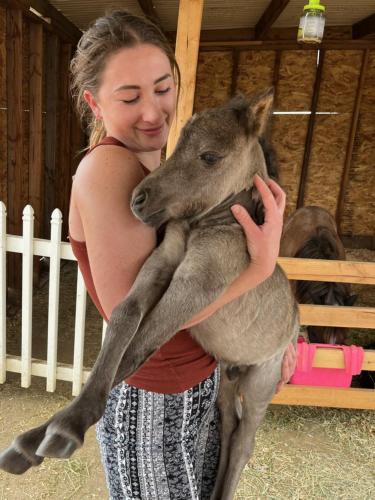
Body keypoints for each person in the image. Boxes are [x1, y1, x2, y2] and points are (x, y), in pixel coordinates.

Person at [69, 10, 296, 500]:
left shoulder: (158, 160)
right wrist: (257, 271)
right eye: (129, 96)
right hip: (152, 400)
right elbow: (143, 317)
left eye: (163, 87)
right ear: (94, 103)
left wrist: (281, 328)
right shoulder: (110, 169)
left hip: (195, 389)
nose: (153, 112)